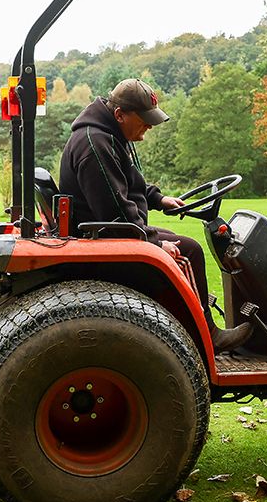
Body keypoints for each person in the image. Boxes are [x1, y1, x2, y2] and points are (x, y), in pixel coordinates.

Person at [58, 78, 252, 354]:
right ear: (120, 115)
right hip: (101, 237)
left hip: (105, 230)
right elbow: (114, 212)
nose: (149, 126)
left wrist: (158, 199)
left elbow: (126, 181)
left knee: (175, 238)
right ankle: (207, 337)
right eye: (145, 120)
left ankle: (193, 327)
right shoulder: (95, 144)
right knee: (189, 251)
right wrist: (153, 244)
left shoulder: (110, 135)